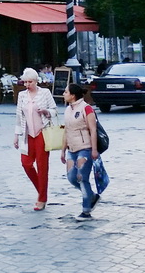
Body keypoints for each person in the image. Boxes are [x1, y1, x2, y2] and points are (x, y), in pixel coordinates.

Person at [13, 67, 58, 211]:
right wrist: (16, 136)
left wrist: (46, 112)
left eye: (30, 82)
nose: (27, 85)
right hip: (27, 134)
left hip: (42, 133)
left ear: (36, 81)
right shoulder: (22, 95)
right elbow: (19, 117)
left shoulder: (45, 93)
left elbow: (55, 110)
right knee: (26, 163)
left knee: (42, 166)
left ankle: (42, 198)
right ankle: (41, 190)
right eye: (25, 82)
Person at [61, 83, 100, 218]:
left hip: (85, 148)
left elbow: (93, 130)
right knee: (72, 178)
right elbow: (66, 130)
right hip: (72, 149)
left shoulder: (87, 108)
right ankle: (92, 196)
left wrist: (94, 150)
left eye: (66, 92)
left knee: (82, 178)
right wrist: (63, 150)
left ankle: (86, 210)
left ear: (72, 95)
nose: (63, 94)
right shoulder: (67, 109)